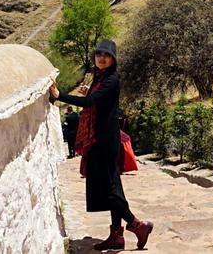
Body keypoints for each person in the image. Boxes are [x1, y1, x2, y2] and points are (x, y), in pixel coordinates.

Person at [49, 39, 153, 251]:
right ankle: (117, 236)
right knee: (114, 188)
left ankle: (136, 225)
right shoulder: (101, 78)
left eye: (106, 55)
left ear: (113, 59)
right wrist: (89, 91)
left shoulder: (111, 79)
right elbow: (96, 99)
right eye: (99, 55)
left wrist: (60, 96)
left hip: (104, 141)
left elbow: (90, 102)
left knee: (108, 190)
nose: (101, 58)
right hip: (103, 139)